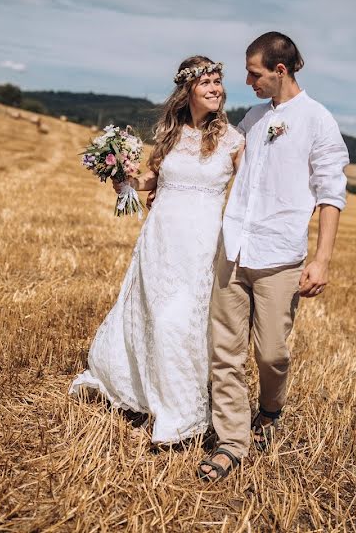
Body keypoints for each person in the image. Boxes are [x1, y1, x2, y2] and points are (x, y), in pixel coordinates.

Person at [197, 32, 349, 481]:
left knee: (272, 353)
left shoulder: (318, 121)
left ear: (279, 71)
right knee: (224, 351)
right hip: (234, 248)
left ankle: (270, 409)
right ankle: (232, 442)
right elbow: (218, 155)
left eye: (255, 73)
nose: (248, 81)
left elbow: (331, 195)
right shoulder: (254, 116)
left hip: (280, 254)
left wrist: (320, 260)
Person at [70, 56, 245, 444]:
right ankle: (145, 392)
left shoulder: (233, 141)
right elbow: (152, 178)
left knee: (181, 322)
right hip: (161, 240)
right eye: (207, 83)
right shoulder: (171, 134)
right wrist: (120, 175)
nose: (216, 88)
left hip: (201, 246)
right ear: (188, 91)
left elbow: (249, 192)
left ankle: (183, 413)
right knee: (155, 315)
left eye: (218, 81)